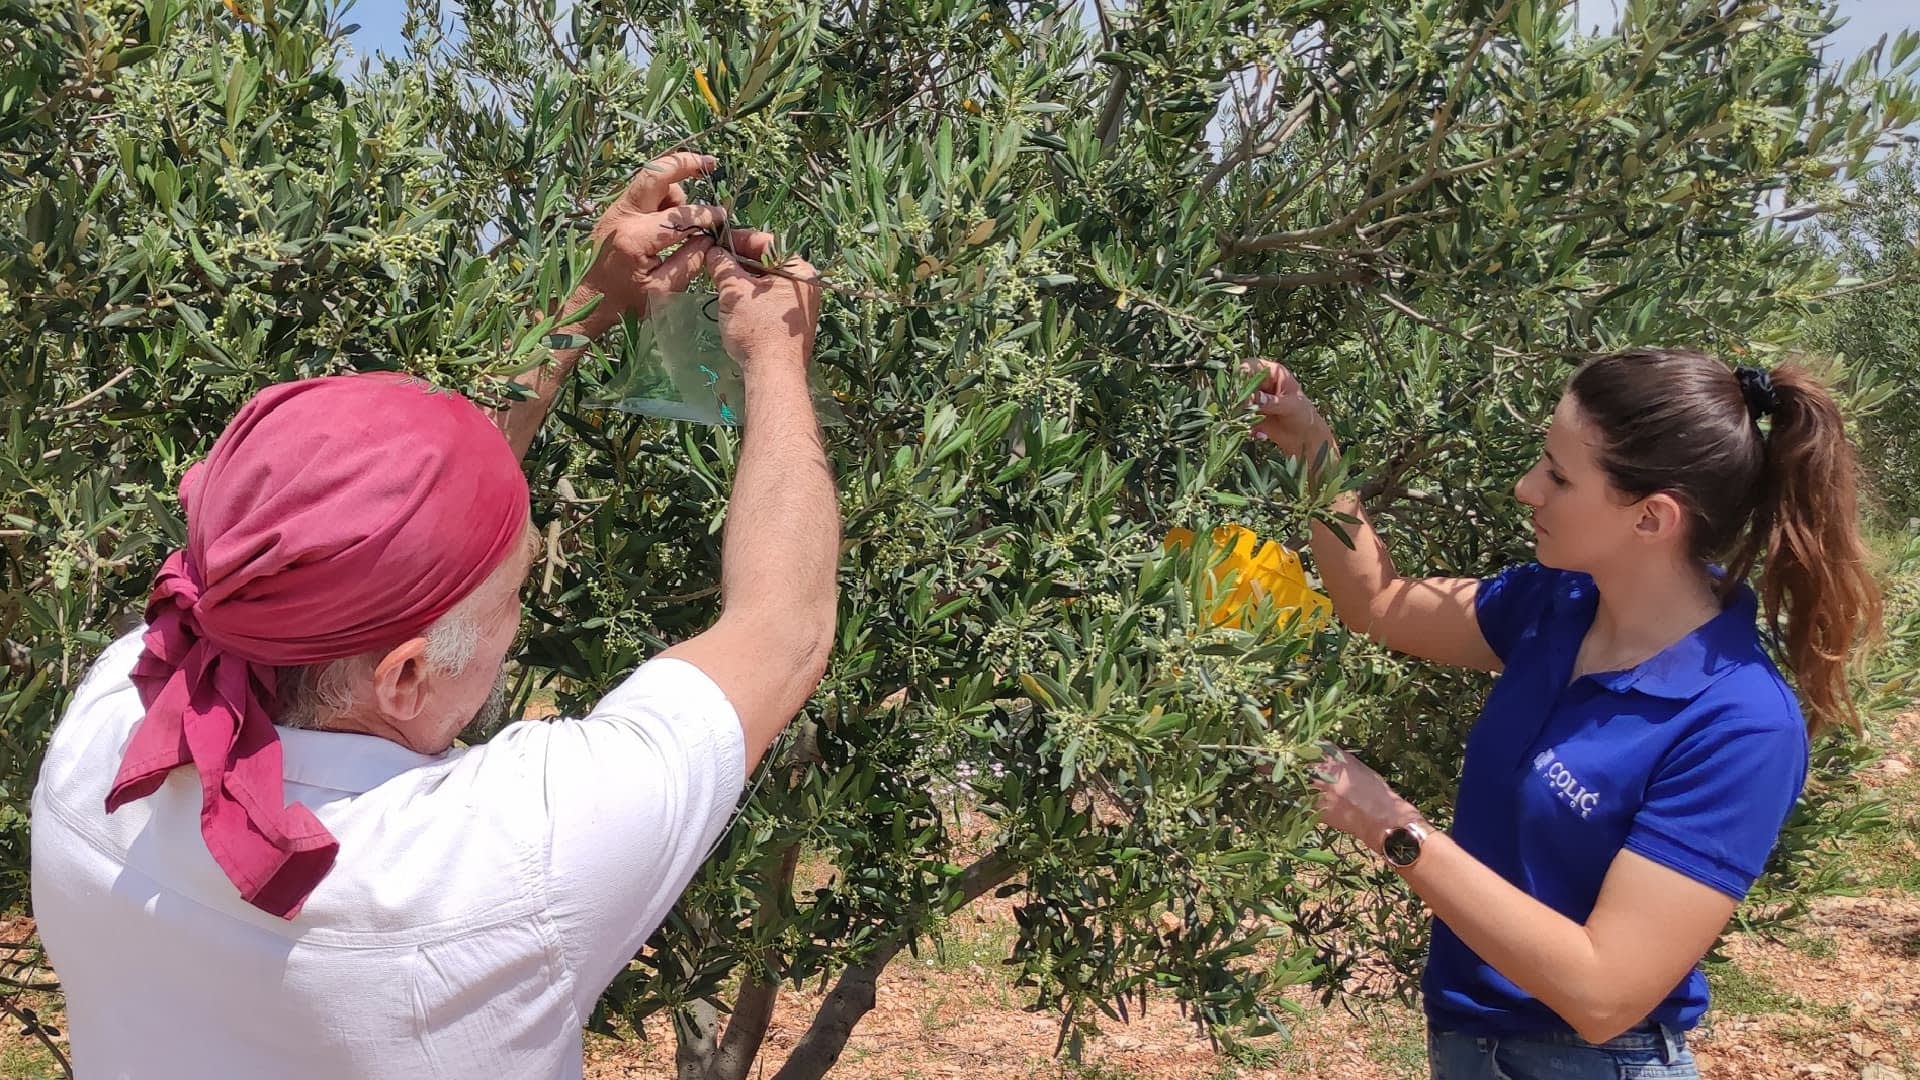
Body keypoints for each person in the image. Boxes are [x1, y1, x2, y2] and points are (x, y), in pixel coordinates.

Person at [29, 152, 840, 1079]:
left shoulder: (115, 717)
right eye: (510, 602)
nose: (516, 623)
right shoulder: (506, 862)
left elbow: (384, 515)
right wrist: (777, 359)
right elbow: (783, 630)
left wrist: (590, 297)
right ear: (406, 676)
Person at [1246, 348, 1882, 1080]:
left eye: (1558, 474)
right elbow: (1379, 603)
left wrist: (1391, 827)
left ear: (1652, 517)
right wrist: (1311, 448)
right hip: (1466, 1045)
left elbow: (1603, 992)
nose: (1527, 489)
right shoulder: (1560, 605)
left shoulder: (1739, 722)